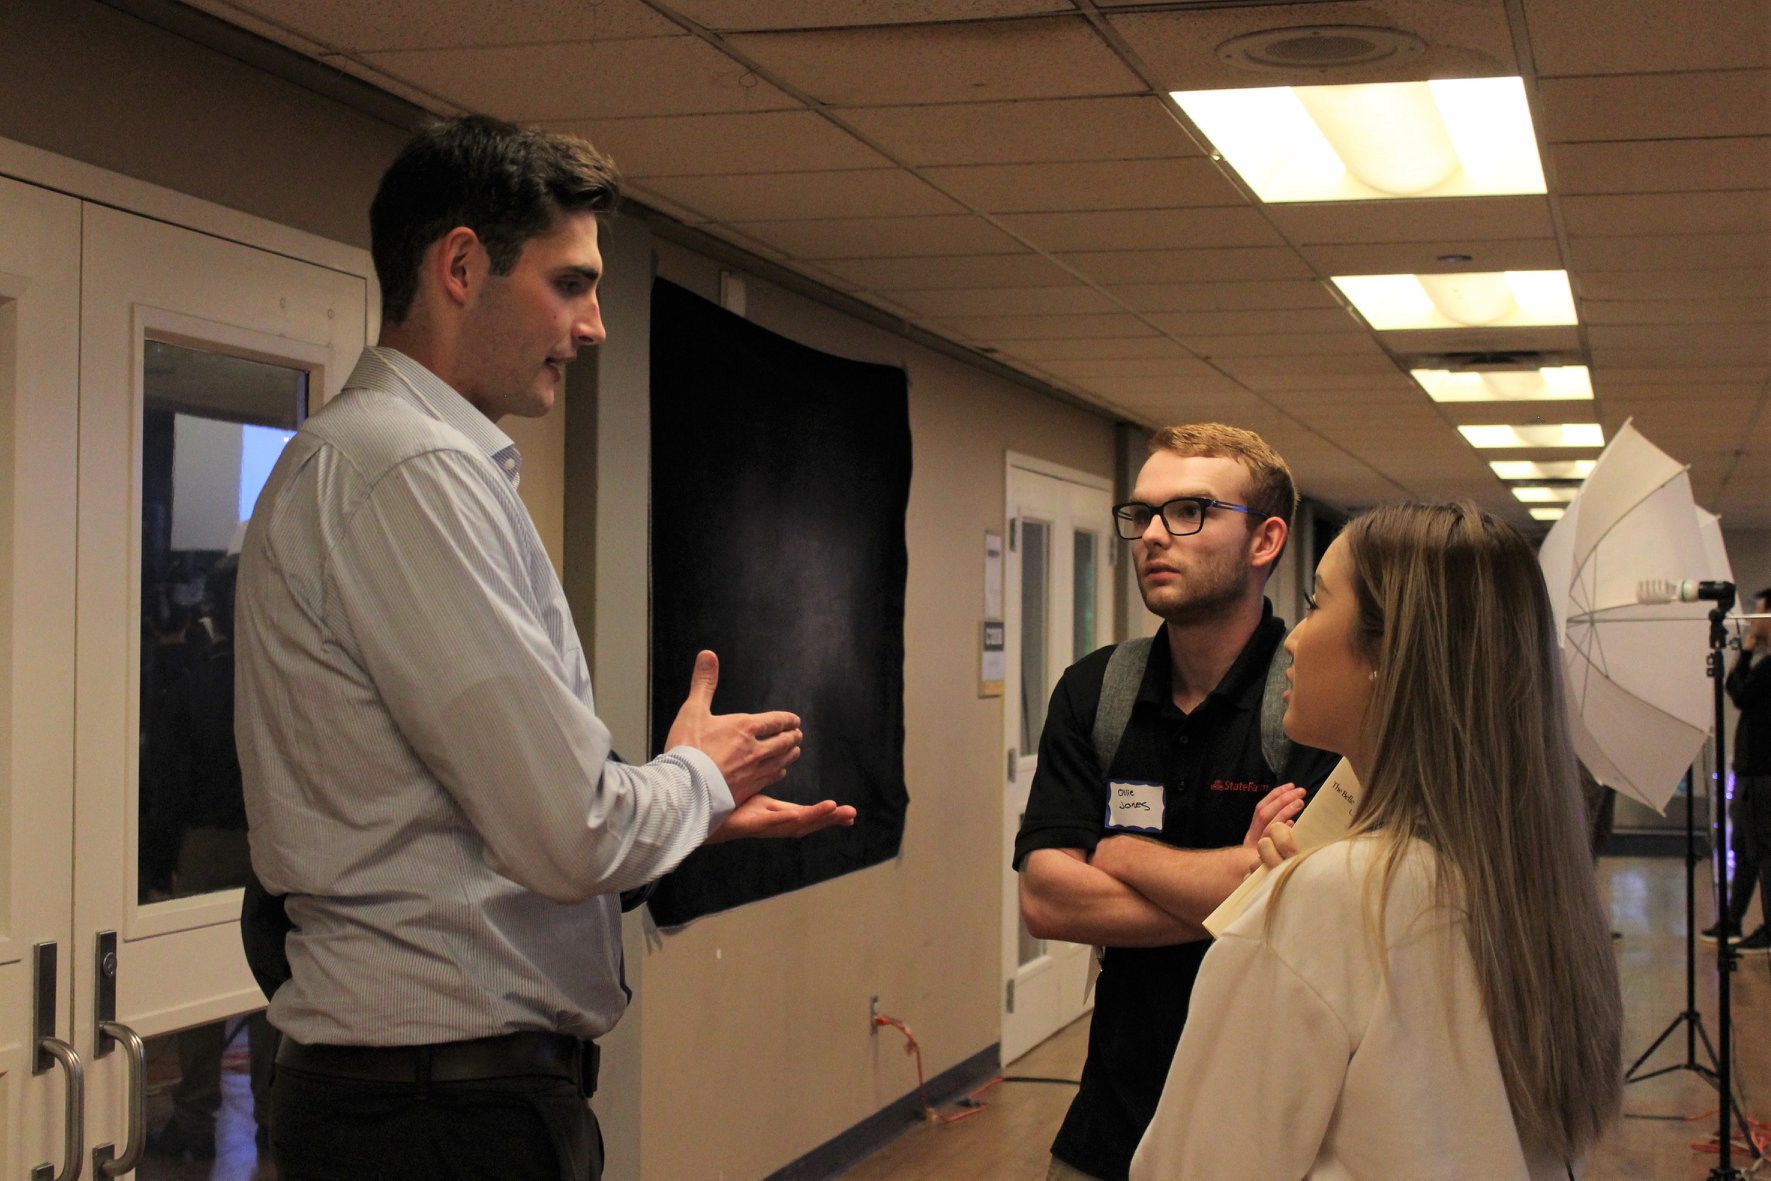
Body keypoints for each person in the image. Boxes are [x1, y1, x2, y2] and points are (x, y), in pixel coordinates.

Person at [235, 115, 854, 1181]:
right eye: (571, 284)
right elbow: (570, 828)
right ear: (462, 266)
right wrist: (696, 779)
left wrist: (685, 809)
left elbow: (457, 828)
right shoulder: (409, 473)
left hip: (436, 1099)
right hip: (434, 1116)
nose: (596, 324)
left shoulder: (395, 464)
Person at [1131, 502, 1623, 1179]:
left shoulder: (1332, 896)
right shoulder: (1531, 881)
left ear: (1387, 654)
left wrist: (1292, 903)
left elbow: (1193, 1167)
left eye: (1315, 603)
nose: (1293, 639)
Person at [1014, 423, 1338, 1181]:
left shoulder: (1315, 693)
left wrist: (1122, 855)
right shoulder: (1095, 691)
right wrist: (1243, 885)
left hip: (1273, 1126)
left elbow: (1314, 903)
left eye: (1188, 512)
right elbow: (1046, 900)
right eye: (1143, 514)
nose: (1154, 536)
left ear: (1264, 539)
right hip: (1114, 1117)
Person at [1713, 588, 1771, 952]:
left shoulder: (1770, 666)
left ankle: (1766, 928)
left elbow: (1738, 692)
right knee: (1747, 850)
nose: (1752, 618)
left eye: (1759, 613)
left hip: (1763, 777)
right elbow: (1737, 690)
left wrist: (1747, 647)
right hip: (1753, 775)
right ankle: (1732, 920)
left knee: (1763, 852)